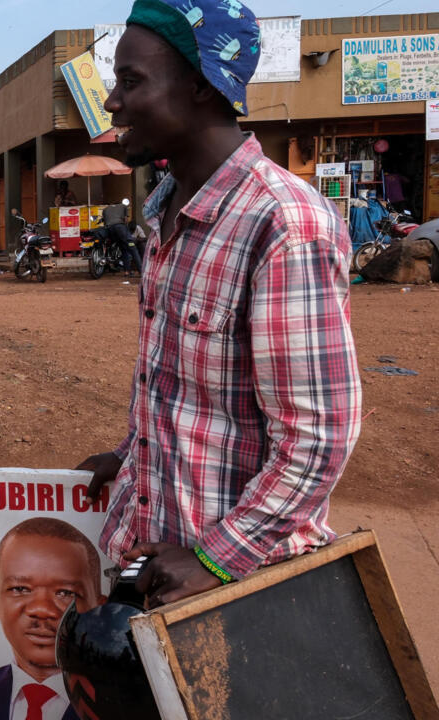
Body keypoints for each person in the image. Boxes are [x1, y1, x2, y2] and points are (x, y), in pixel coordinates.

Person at [77, 0, 361, 608]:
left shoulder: (284, 222)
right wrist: (129, 457)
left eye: (131, 81)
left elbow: (320, 438)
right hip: (156, 552)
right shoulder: (164, 211)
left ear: (203, 87)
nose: (113, 101)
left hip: (241, 587)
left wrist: (214, 558)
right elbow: (178, 383)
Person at [0, 518, 103, 720]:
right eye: (20, 589)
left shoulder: (130, 707)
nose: (41, 609)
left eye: (65, 593)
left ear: (98, 610)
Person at [100, 201, 141, 276]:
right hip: (120, 228)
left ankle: (127, 271)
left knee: (124, 249)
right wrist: (125, 231)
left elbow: (105, 223)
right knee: (133, 249)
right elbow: (126, 220)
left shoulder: (105, 209)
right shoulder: (123, 206)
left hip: (110, 230)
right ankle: (141, 271)